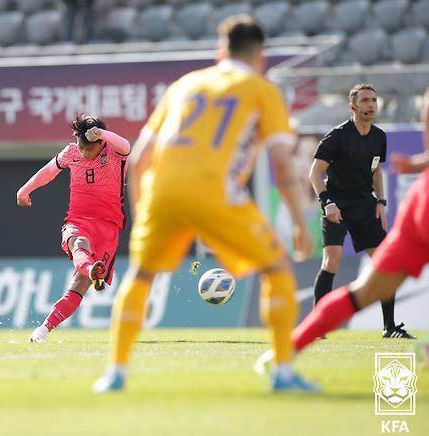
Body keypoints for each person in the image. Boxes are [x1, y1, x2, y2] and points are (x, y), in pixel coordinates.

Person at [93, 15, 317, 393]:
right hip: (214, 190)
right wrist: (299, 222)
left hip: (161, 191)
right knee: (276, 269)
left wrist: (141, 213)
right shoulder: (261, 89)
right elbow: (282, 162)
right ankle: (283, 372)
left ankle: (115, 373)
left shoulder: (186, 84)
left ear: (219, 52)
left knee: (141, 276)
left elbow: (139, 156)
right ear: (260, 55)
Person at [288, 87, 429, 353]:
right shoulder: (337, 137)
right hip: (337, 205)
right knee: (332, 260)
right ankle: (318, 326)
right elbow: (315, 172)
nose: (371, 104)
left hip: (366, 206)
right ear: (352, 107)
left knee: (383, 264)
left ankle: (389, 327)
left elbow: (376, 172)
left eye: (374, 100)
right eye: (364, 100)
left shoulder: (379, 137)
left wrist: (381, 202)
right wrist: (327, 202)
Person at [17, 114, 131, 343]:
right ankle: (43, 330)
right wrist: (24, 190)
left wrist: (103, 134)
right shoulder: (71, 153)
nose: (83, 152)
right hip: (78, 220)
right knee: (78, 243)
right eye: (80, 147)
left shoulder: (115, 153)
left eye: (88, 149)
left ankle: (88, 272)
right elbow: (48, 172)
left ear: (100, 143)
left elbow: (127, 145)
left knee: (78, 286)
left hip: (108, 228)